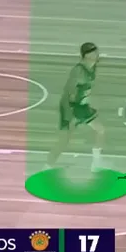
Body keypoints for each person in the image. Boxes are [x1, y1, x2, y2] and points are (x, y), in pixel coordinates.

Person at [45, 42, 105, 172]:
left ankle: (96, 163)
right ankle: (47, 166)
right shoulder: (78, 70)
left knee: (100, 130)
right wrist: (68, 113)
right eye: (93, 52)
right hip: (72, 108)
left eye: (96, 51)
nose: (96, 54)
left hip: (83, 107)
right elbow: (67, 92)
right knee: (64, 141)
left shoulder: (93, 67)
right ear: (86, 55)